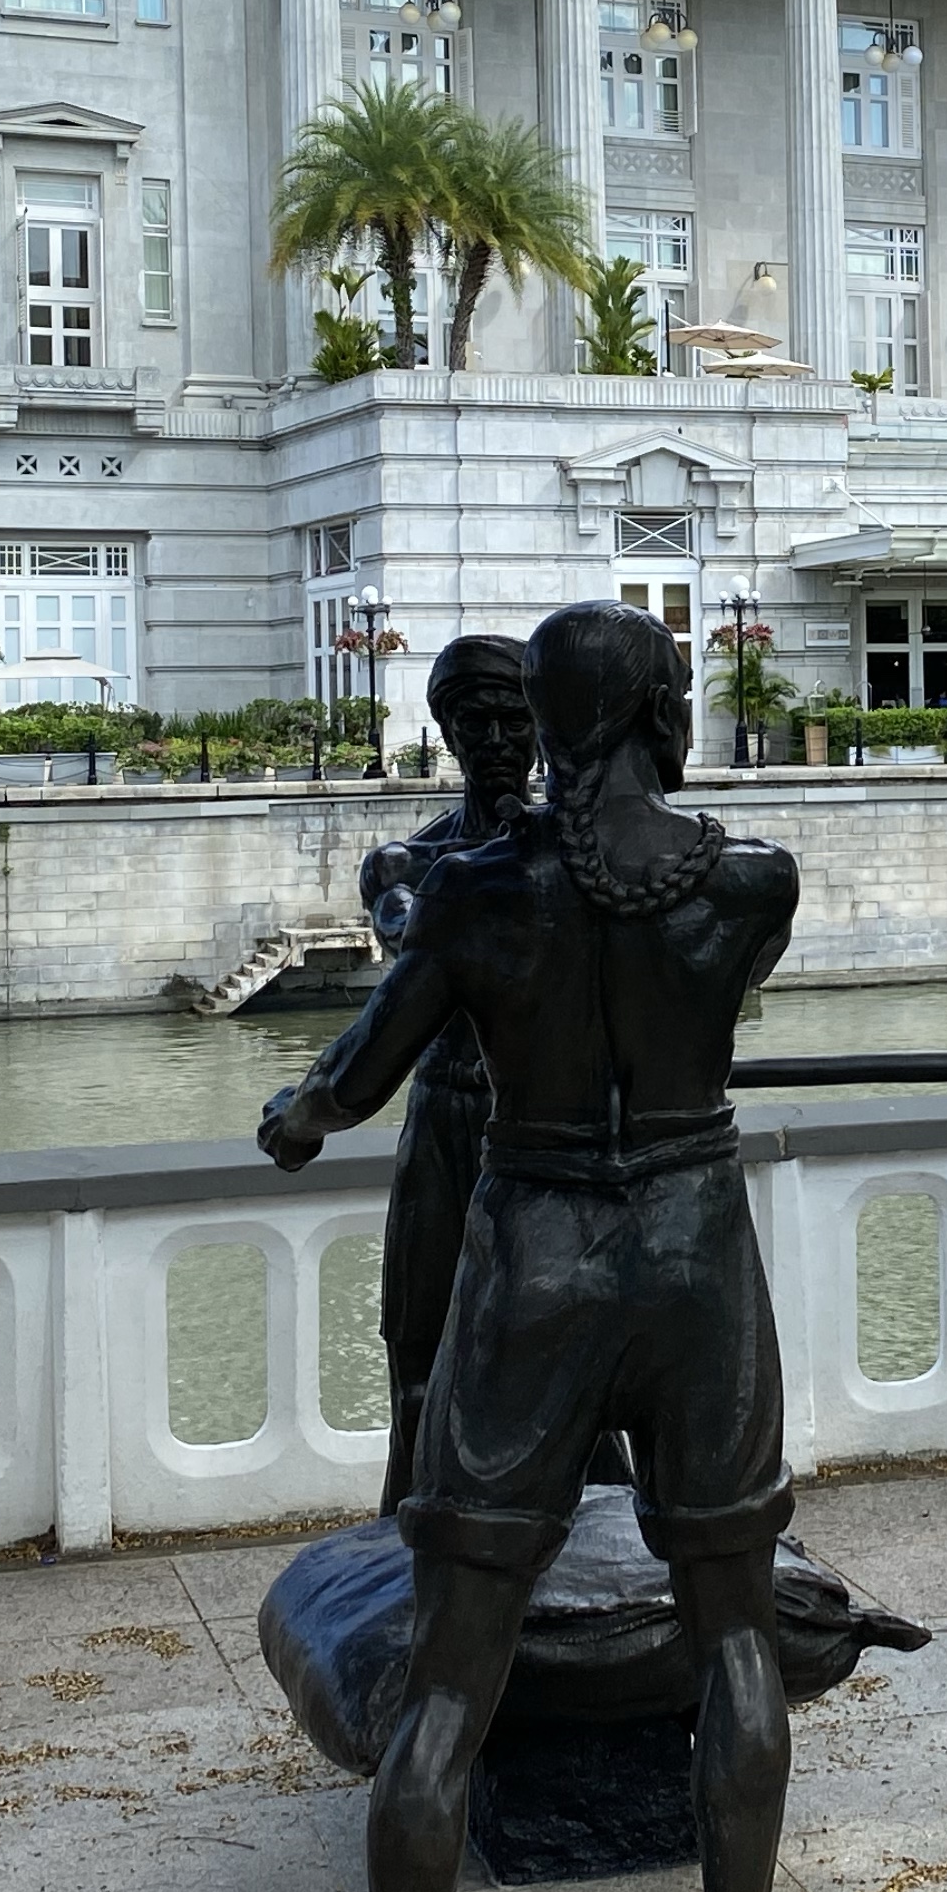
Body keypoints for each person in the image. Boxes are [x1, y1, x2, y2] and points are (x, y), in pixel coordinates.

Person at [259, 601, 823, 1892]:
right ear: (654, 714)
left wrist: (295, 1118)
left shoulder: (475, 891)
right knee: (736, 1635)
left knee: (453, 1672)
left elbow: (352, 1080)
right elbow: (709, 979)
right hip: (695, 1256)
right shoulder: (752, 881)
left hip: (534, 1254)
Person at [353, 633, 536, 1514]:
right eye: (476, 723)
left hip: (547, 1129)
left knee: (560, 1357)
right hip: (444, 1122)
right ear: (448, 733)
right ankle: (405, 1531)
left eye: (515, 721)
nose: (497, 742)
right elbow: (415, 939)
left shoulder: (579, 856)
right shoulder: (407, 866)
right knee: (419, 1352)